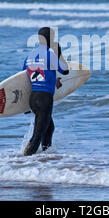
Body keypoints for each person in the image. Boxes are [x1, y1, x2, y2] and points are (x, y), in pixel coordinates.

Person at [22, 27, 69, 156]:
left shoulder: (29, 56)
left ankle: (45, 158)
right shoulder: (50, 54)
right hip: (44, 99)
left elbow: (24, 78)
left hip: (33, 98)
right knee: (37, 136)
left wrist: (24, 104)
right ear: (50, 39)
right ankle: (22, 162)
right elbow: (65, 70)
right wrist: (59, 52)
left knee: (49, 128)